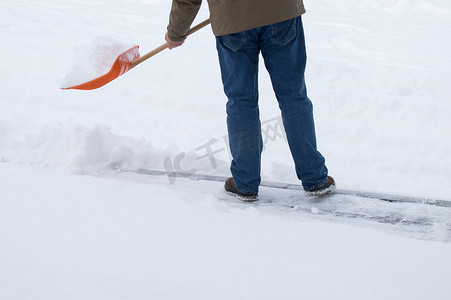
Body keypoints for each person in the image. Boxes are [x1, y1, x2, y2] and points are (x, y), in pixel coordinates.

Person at [165, 0, 336, 201]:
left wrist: (176, 32)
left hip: (233, 19)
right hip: (280, 12)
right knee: (293, 97)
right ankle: (315, 178)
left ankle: (245, 183)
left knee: (242, 102)